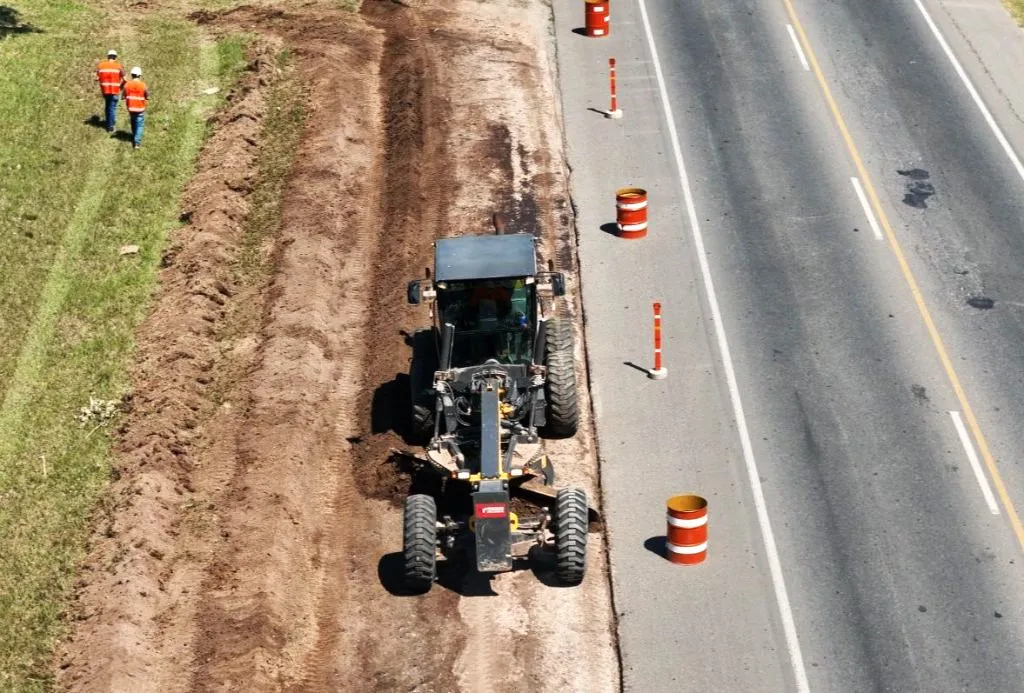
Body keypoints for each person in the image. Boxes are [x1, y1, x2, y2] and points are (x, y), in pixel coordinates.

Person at [95, 50, 125, 134]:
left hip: (105, 90)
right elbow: (125, 79)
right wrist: (121, 86)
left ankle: (109, 123)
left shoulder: (101, 66)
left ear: (108, 57)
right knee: (112, 107)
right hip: (115, 90)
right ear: (115, 57)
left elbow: (97, 78)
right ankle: (110, 126)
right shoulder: (118, 66)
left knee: (108, 106)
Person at [122, 66, 149, 150]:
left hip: (131, 108)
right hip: (140, 109)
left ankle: (134, 135)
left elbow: (123, 96)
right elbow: (147, 96)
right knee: (139, 125)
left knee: (133, 122)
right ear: (140, 75)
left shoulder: (127, 85)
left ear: (132, 75)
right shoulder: (143, 85)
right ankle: (136, 143)